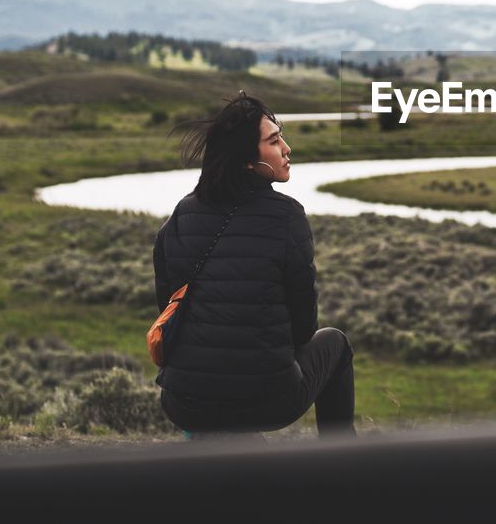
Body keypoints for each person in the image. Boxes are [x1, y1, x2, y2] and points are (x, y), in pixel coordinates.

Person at [152, 91, 355, 438]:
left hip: (184, 401)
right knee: (335, 344)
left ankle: (213, 452)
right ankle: (341, 463)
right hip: (266, 404)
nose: (287, 149)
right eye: (274, 141)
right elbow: (305, 327)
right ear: (247, 159)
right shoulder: (287, 217)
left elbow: (169, 310)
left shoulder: (182, 213)